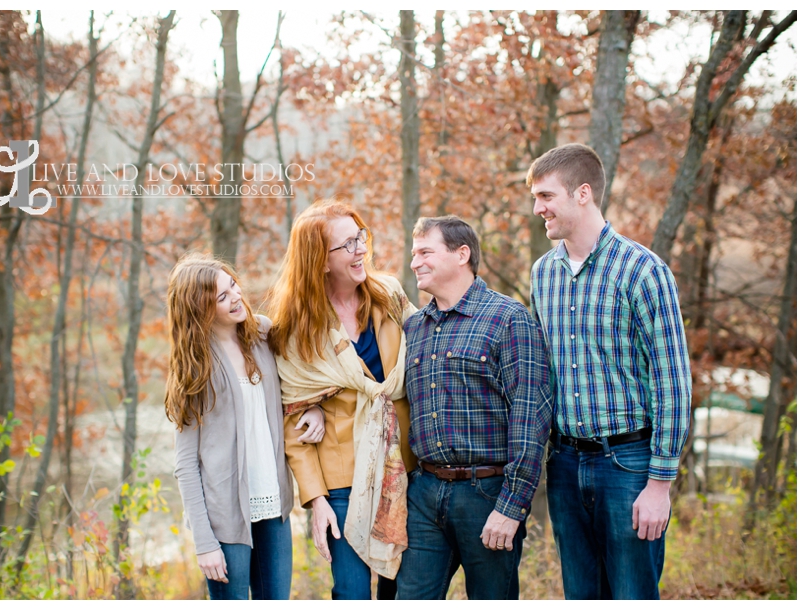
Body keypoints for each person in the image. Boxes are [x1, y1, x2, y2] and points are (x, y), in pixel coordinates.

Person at [527, 143, 692, 600]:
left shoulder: (643, 270)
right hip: (563, 465)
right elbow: (542, 376)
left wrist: (659, 483)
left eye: (545, 196)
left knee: (632, 594)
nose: (537, 208)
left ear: (583, 193)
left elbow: (672, 383)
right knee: (581, 595)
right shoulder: (544, 274)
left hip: (629, 466)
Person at [267, 199, 418, 600]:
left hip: (403, 468)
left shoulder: (388, 295)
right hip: (342, 482)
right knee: (351, 593)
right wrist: (316, 500)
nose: (361, 249)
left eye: (360, 236)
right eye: (347, 244)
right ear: (319, 260)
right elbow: (293, 419)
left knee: (402, 591)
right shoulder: (299, 329)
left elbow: (423, 358)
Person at [397, 216, 553, 600]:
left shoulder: (509, 320)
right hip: (424, 493)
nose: (414, 262)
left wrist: (512, 506)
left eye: (425, 252)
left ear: (461, 254)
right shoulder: (413, 327)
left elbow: (531, 420)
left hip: (487, 494)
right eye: (413, 253)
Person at [166, 252, 324, 600]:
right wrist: (205, 543)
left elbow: (300, 385)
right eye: (222, 297)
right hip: (225, 519)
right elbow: (186, 465)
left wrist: (313, 409)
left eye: (233, 286)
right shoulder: (195, 367)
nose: (236, 297)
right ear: (200, 309)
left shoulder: (263, 335)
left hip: (274, 509)